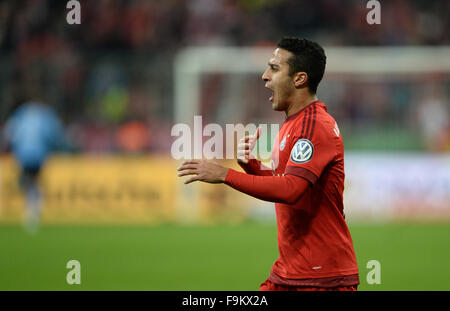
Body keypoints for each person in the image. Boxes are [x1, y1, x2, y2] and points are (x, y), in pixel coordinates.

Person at [177, 37, 359, 291]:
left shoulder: (315, 125)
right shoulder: (293, 122)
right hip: (290, 271)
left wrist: (224, 174)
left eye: (274, 68)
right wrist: (252, 167)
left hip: (322, 277)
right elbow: (285, 181)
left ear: (299, 79)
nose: (264, 76)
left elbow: (291, 190)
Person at [3, 101, 65, 234]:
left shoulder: (21, 113)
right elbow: (54, 134)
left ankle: (32, 210)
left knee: (27, 182)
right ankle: (34, 207)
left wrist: (10, 148)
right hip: (38, 154)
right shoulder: (46, 114)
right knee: (32, 182)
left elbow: (9, 133)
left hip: (24, 154)